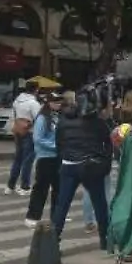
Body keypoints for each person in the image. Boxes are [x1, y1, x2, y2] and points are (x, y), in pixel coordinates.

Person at [51, 88, 112, 251]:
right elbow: (108, 144)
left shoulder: (64, 120)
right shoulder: (98, 123)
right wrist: (103, 163)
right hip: (90, 165)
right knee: (100, 204)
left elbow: (59, 144)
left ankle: (53, 240)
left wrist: (66, 157)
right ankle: (105, 239)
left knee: (62, 206)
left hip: (68, 164)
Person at [24, 92, 64, 226]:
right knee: (41, 188)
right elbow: (38, 138)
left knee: (58, 188)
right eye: (55, 102)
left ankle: (56, 216)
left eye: (59, 102)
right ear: (48, 103)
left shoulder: (58, 117)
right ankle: (32, 217)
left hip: (58, 157)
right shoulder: (42, 118)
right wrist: (55, 146)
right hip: (45, 157)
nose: (58, 104)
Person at [7, 80, 41, 196]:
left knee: (18, 159)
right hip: (30, 132)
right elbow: (38, 119)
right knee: (28, 160)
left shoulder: (17, 101)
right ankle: (25, 186)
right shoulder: (33, 103)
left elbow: (14, 116)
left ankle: (10, 186)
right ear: (36, 89)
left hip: (18, 131)